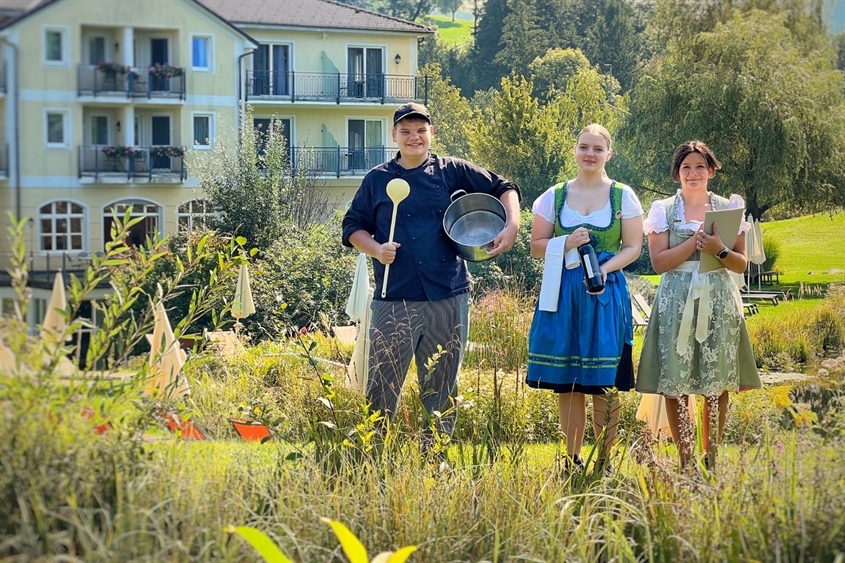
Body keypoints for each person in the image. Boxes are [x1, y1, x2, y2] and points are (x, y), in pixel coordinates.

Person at [342, 102, 521, 449]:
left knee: (442, 387)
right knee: (382, 385)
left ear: (431, 133)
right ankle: (374, 456)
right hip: (394, 299)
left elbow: (504, 186)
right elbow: (352, 227)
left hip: (447, 296)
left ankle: (434, 457)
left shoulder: (451, 170)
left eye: (421, 130)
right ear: (394, 135)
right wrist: (377, 249)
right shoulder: (378, 180)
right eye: (406, 131)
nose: (414, 137)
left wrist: (512, 224)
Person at [636, 140, 761, 469]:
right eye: (686, 167)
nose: (693, 173)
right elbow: (659, 263)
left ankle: (712, 457)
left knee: (716, 383)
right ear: (677, 173)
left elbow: (740, 264)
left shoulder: (728, 207)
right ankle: (686, 458)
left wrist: (719, 248)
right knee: (675, 383)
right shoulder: (663, 209)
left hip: (718, 298)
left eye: (700, 167)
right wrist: (695, 241)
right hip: (676, 298)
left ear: (711, 171)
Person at [526, 124, 643, 473]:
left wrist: (607, 270)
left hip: (604, 293)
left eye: (597, 148)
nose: (589, 154)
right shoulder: (554, 195)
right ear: (574, 150)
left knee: (603, 380)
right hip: (562, 293)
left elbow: (633, 247)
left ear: (609, 154)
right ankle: (572, 458)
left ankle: (604, 460)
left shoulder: (623, 196)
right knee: (569, 382)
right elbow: (536, 247)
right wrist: (568, 242)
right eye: (583, 147)